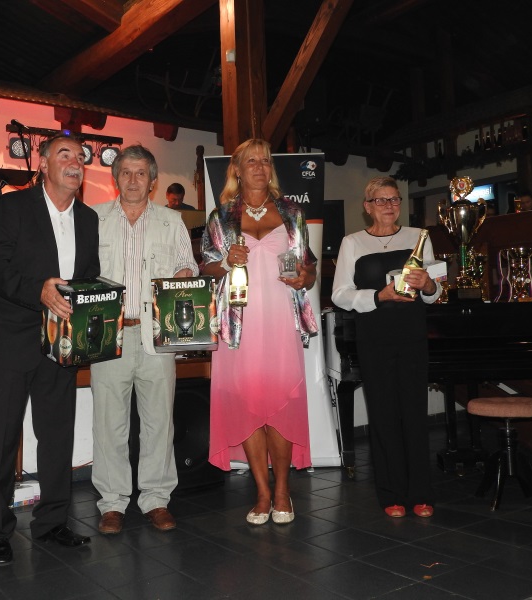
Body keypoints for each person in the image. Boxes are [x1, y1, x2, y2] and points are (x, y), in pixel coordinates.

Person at [0, 134, 99, 565]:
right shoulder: (14, 207)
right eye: (64, 155)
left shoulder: (88, 219)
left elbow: (88, 276)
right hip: (10, 339)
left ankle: (51, 523)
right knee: (2, 439)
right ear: (43, 164)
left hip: (61, 344)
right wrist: (39, 291)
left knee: (58, 436)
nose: (75, 162)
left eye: (80, 157)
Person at [201, 138, 317, 525]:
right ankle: (262, 493)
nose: (259, 167)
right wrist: (224, 262)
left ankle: (283, 490)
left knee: (280, 403)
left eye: (265, 161)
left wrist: (305, 278)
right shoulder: (222, 216)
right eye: (251, 161)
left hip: (282, 320)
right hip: (239, 324)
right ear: (236, 169)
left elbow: (309, 268)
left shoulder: (291, 212)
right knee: (248, 402)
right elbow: (206, 268)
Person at [90, 145, 199, 535]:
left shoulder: (172, 221)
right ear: (115, 178)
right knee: (109, 423)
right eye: (126, 172)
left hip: (157, 333)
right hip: (110, 333)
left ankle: (155, 499)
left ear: (152, 181)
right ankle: (112, 503)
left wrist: (185, 274)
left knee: (159, 422)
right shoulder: (94, 219)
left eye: (141, 173)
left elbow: (188, 265)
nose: (133, 180)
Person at [331, 176, 441, 519]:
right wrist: (379, 296)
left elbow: (434, 294)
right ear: (368, 207)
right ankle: (391, 494)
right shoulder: (352, 242)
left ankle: (421, 493)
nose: (389, 206)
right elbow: (340, 295)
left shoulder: (419, 237)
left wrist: (429, 284)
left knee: (414, 413)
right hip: (374, 337)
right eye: (381, 200)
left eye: (394, 199)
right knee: (382, 415)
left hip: (412, 334)